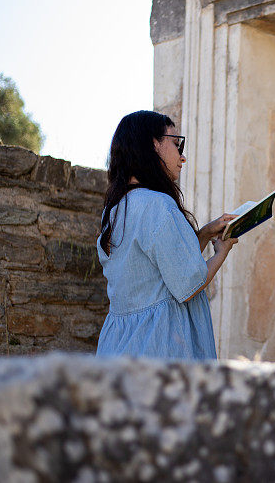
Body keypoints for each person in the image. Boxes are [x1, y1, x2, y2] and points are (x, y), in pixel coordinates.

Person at [95, 110, 237, 360]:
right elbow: (189, 284)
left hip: (118, 347)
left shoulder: (116, 209)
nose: (182, 156)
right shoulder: (158, 205)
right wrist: (221, 252)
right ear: (153, 144)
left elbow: (157, 269)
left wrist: (203, 233)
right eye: (176, 143)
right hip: (160, 346)